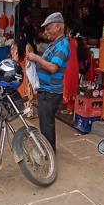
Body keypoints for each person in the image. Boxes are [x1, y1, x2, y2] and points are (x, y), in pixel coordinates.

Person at [26, 12, 70, 150]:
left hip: (50, 92)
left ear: (57, 26)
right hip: (45, 90)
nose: (46, 32)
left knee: (47, 124)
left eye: (48, 28)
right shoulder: (54, 45)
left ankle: (49, 152)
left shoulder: (62, 45)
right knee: (45, 123)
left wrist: (36, 58)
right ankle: (48, 150)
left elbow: (53, 68)